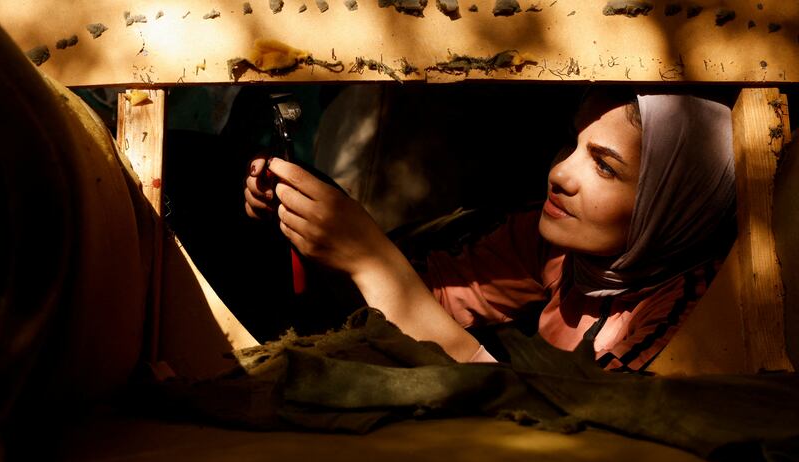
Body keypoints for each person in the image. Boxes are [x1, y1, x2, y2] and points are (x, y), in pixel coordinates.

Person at [242, 88, 736, 372]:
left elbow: (563, 447)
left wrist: (370, 258)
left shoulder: (688, 313)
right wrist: (305, 221)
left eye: (605, 167)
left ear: (675, 204)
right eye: (571, 143)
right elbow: (431, 296)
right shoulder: (556, 246)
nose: (560, 174)